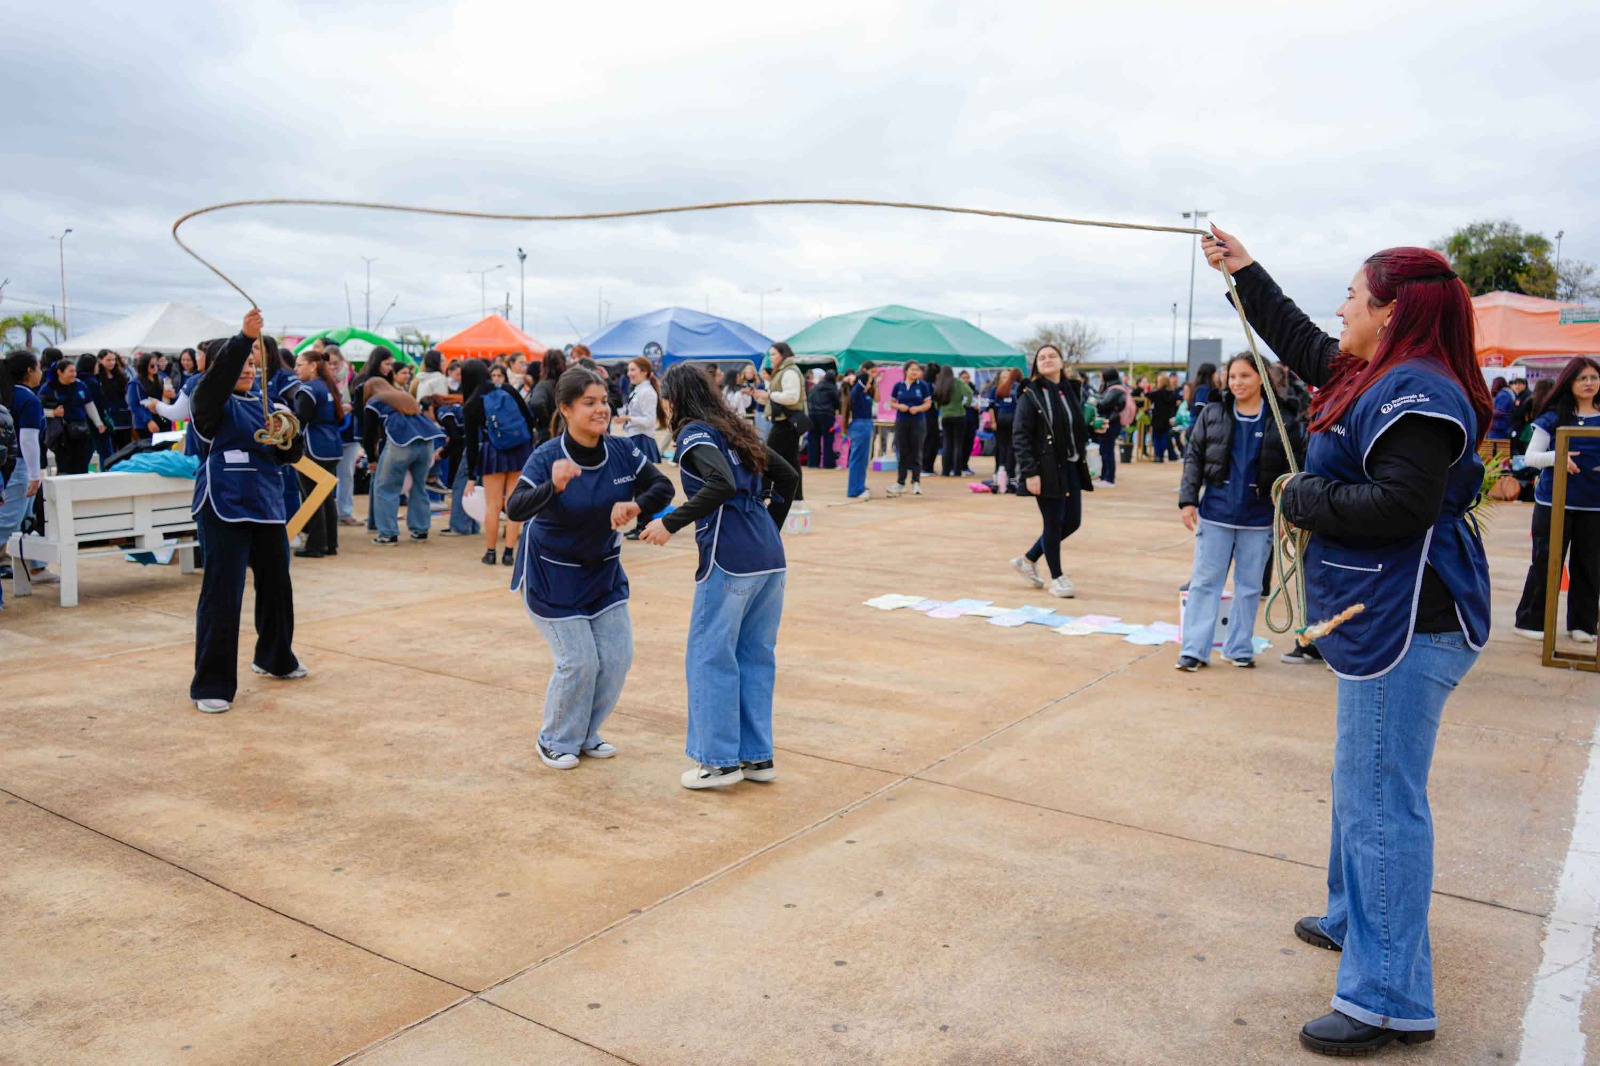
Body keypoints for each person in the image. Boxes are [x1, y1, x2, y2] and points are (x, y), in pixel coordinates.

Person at [1206, 225, 1491, 1055]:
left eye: (1352, 298)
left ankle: (1390, 998)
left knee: (1379, 803)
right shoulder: (1376, 371)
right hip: (1384, 617)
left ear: (1391, 312)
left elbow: (1399, 509)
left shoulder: (1418, 393)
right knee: (1359, 782)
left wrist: (1298, 495)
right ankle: (1350, 917)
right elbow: (1298, 339)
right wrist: (1246, 270)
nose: (1339, 310)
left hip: (1414, 622)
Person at [506, 367, 674, 770]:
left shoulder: (620, 451)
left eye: (604, 401)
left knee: (616, 658)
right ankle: (555, 738)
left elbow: (662, 488)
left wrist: (637, 505)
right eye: (590, 403)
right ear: (565, 409)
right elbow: (514, 507)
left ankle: (583, 733)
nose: (602, 410)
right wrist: (554, 488)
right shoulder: (548, 456)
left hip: (603, 571)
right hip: (553, 575)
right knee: (579, 662)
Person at [640, 364, 798, 789]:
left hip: (730, 558)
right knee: (755, 657)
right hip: (769, 557)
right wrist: (766, 528)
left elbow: (721, 483)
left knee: (711, 656)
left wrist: (670, 522)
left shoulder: (694, 434)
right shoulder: (735, 430)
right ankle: (756, 758)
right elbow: (788, 476)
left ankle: (719, 762)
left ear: (673, 399)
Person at [189, 310, 306, 714]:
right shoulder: (207, 404)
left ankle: (275, 657)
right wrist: (243, 338)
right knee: (223, 594)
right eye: (242, 363)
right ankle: (212, 684)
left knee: (277, 587)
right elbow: (215, 383)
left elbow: (289, 453)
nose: (249, 370)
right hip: (223, 506)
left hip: (267, 504)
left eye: (255, 364)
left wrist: (289, 435)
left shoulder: (268, 404)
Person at [1175, 353, 1305, 670]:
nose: (1237, 383)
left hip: (1259, 517)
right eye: (1232, 376)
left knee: (1249, 587)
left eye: (1245, 376)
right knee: (1206, 582)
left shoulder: (1282, 417)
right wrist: (1188, 498)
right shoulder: (1214, 412)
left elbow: (1296, 466)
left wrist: (1292, 509)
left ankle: (1238, 646)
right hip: (1217, 512)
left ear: (1261, 377)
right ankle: (1194, 649)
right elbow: (1194, 457)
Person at [1512, 356, 1600, 643]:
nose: (1589, 383)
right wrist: (1557, 458)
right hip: (1554, 502)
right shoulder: (1553, 417)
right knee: (1545, 561)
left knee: (1590, 564)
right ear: (1570, 382)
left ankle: (1584, 624)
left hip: (1594, 505)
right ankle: (1531, 620)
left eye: (1594, 378)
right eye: (1582, 378)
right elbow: (1531, 457)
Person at [1010, 344, 1091, 597]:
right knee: (1053, 522)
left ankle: (1028, 559)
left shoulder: (1071, 391)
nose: (1047, 360)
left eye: (1052, 356)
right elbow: (1021, 435)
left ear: (1061, 361)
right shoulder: (1030, 394)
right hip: (1045, 468)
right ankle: (1057, 577)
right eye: (1041, 357)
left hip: (1072, 465)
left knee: (1072, 521)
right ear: (1036, 365)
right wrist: (1030, 472)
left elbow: (1071, 426)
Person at [364, 358, 442, 547]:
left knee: (385, 487)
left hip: (401, 443)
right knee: (419, 486)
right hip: (426, 442)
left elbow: (368, 434)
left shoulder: (374, 402)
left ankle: (388, 534)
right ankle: (420, 529)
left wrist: (372, 459)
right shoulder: (404, 396)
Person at [465, 364, 537, 564]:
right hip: (520, 450)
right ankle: (508, 553)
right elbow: (528, 419)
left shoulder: (471, 404)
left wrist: (471, 476)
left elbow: (471, 444)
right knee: (513, 503)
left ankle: (490, 552)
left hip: (492, 452)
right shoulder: (508, 390)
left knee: (493, 505)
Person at [289, 346, 346, 558]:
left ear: (313, 366)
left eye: (299, 365)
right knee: (326, 497)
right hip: (332, 446)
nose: (296, 369)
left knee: (312, 496)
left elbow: (300, 419)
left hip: (314, 446)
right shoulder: (328, 387)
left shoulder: (308, 389)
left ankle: (316, 544)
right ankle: (330, 543)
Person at [0, 351, 46, 595]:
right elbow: (28, 440)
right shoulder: (28, 400)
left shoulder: (10, 395)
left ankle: (37, 567)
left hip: (12, 464)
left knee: (26, 521)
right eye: (38, 367)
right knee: (9, 522)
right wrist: (34, 474)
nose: (41, 372)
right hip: (19, 466)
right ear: (29, 371)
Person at [38, 358, 104, 475]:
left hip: (81, 430)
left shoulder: (80, 385)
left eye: (75, 371)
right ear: (60, 372)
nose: (74, 374)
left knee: (82, 463)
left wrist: (98, 423)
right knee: (64, 465)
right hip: (62, 433)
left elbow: (89, 405)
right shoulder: (49, 388)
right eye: (70, 371)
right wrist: (53, 413)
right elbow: (38, 409)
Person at [761, 342, 806, 502]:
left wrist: (769, 395)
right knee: (791, 461)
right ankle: (796, 497)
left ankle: (761, 494)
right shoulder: (785, 371)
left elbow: (792, 397)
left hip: (785, 423)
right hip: (786, 423)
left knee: (767, 458)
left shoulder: (789, 372)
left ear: (783, 354)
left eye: (773, 354)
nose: (771, 358)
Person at [886, 361, 932, 496]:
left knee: (916, 451)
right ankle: (900, 482)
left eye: (917, 370)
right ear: (906, 371)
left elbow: (928, 403)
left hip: (917, 422)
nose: (914, 372)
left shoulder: (922, 386)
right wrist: (900, 407)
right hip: (902, 421)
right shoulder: (898, 386)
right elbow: (892, 403)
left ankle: (916, 482)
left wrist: (918, 409)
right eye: (912, 369)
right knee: (902, 451)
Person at [615, 356, 663, 462]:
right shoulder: (638, 390)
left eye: (632, 370)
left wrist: (629, 419)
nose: (629, 373)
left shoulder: (647, 392)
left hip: (642, 439)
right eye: (628, 370)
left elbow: (650, 421)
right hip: (634, 437)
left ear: (644, 371)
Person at [932, 365, 974, 477]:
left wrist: (939, 408)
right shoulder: (958, 382)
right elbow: (969, 392)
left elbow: (935, 400)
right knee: (958, 444)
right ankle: (957, 471)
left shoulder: (939, 383)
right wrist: (966, 405)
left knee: (947, 443)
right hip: (959, 415)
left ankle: (945, 471)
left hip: (946, 416)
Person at [845, 362, 878, 500]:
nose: (870, 385)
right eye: (869, 382)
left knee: (863, 459)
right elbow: (862, 379)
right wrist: (862, 376)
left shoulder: (863, 392)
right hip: (860, 425)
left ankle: (860, 485)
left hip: (866, 424)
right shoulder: (857, 391)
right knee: (858, 459)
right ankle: (855, 489)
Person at [1094, 368, 1131, 487]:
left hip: (1111, 422)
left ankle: (1109, 478)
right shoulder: (1116, 388)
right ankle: (1105, 476)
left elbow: (1104, 403)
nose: (1100, 378)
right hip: (1111, 422)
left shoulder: (1115, 390)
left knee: (1107, 451)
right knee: (1105, 450)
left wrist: (1095, 400)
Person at [986, 368, 1022, 489]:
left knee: (1012, 447)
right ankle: (999, 469)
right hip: (1001, 420)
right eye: (1003, 376)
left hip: (1013, 420)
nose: (1005, 378)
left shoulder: (1016, 388)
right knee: (1001, 446)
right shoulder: (996, 389)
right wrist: (993, 421)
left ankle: (1010, 472)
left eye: (1007, 376)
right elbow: (990, 407)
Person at [94, 350, 133, 457]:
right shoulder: (97, 378)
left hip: (124, 415)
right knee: (110, 449)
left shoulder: (121, 375)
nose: (111, 363)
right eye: (108, 360)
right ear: (100, 360)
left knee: (125, 448)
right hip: (109, 416)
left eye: (113, 360)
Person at [128, 352, 172, 442]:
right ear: (144, 367)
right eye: (152, 366)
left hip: (163, 417)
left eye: (157, 364)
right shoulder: (135, 383)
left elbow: (169, 396)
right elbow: (134, 405)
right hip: (145, 422)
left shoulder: (162, 377)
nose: (155, 367)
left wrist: (172, 395)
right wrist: (148, 421)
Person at [805, 368, 842, 469]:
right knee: (828, 440)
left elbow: (809, 399)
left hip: (812, 415)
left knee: (813, 439)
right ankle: (828, 464)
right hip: (827, 416)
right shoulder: (832, 388)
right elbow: (837, 403)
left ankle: (813, 463)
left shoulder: (815, 387)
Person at [1147, 373, 1182, 462]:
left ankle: (1158, 455)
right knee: (1164, 437)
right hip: (1167, 418)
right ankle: (1162, 454)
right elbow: (1175, 405)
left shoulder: (1157, 393)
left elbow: (1148, 395)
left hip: (1157, 418)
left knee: (1156, 437)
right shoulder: (1173, 394)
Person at [1487, 375, 1513, 445]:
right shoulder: (1507, 394)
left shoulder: (1503, 395)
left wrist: (1486, 412)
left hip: (1499, 428)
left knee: (1497, 449)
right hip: (1500, 428)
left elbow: (1500, 411)